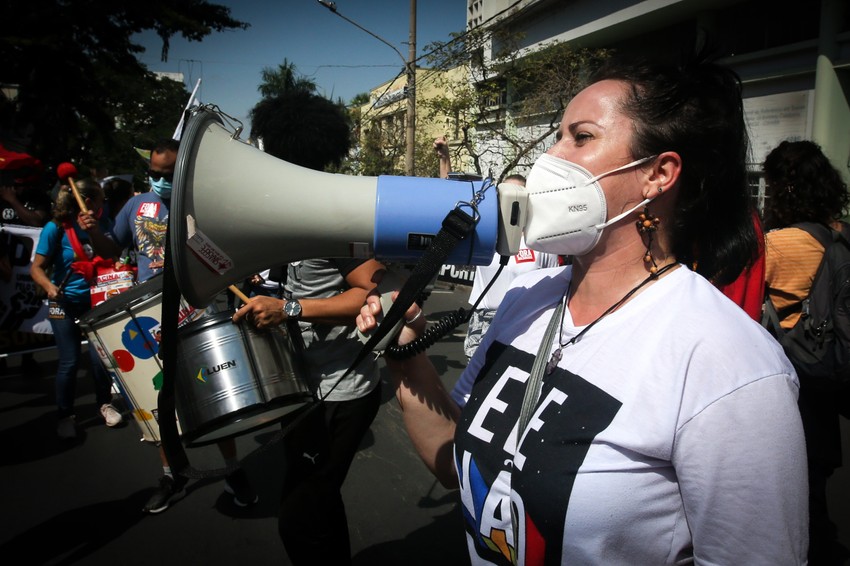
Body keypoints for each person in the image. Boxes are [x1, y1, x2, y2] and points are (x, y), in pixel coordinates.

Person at [358, 54, 808, 564]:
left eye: (581, 137)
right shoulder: (525, 300)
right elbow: (464, 465)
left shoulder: (729, 362)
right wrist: (406, 353)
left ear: (658, 174)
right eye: (557, 136)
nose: (550, 157)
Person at [81, 138, 257, 513]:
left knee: (215, 392)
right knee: (157, 399)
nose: (160, 181)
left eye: (168, 175)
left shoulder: (201, 205)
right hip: (149, 316)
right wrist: (93, 230)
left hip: (195, 310)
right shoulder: (135, 206)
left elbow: (226, 258)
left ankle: (232, 468)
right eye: (154, 174)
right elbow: (110, 250)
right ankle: (170, 474)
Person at [763, 139, 850, 565]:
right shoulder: (839, 237)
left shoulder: (776, 245)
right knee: (815, 482)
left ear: (782, 188)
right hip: (829, 370)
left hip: (793, 375)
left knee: (794, 495)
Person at [29, 179, 123, 438]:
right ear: (89, 202)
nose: (105, 204)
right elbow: (36, 268)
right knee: (69, 360)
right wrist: (49, 286)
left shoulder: (102, 224)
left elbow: (114, 254)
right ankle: (64, 414)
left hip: (96, 301)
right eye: (102, 200)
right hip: (62, 303)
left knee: (100, 359)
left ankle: (104, 404)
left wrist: (94, 233)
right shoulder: (54, 228)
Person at [462, 173, 562, 359]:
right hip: (483, 320)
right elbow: (458, 206)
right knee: (474, 383)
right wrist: (444, 158)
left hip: (523, 321)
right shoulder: (484, 235)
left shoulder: (541, 243)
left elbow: (551, 290)